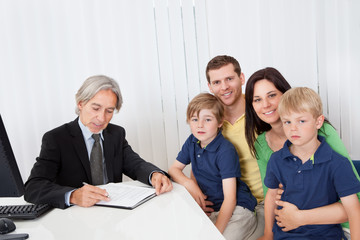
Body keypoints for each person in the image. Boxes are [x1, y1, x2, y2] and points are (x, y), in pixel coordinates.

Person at [24, 75, 172, 209]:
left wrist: (154, 174)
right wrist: (73, 195)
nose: (101, 118)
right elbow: (34, 187)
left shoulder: (116, 134)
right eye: (96, 108)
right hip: (75, 217)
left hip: (113, 211)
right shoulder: (56, 138)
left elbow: (135, 164)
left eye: (109, 111)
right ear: (80, 104)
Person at [244, 67, 360, 237]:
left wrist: (300, 217)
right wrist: (269, 233)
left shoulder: (334, 158)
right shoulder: (272, 154)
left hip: (329, 226)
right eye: (257, 99)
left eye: (271, 95)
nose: (266, 104)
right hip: (286, 230)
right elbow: (271, 195)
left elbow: (353, 206)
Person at [168, 93, 257, 239]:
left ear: (220, 122)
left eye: (207, 119)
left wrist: (214, 234)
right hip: (213, 209)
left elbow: (230, 199)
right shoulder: (192, 141)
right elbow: (173, 169)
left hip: (238, 210)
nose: (200, 125)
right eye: (194, 119)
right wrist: (190, 184)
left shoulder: (225, 151)